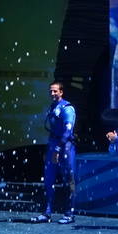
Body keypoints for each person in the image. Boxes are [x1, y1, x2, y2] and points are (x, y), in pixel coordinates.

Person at [33, 80, 76, 223]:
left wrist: (58, 149)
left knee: (68, 180)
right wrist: (50, 149)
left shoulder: (67, 108)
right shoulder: (52, 107)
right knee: (48, 179)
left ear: (61, 92)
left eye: (55, 91)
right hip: (53, 146)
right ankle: (47, 212)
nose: (52, 93)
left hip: (65, 148)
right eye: (50, 91)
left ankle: (69, 213)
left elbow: (67, 131)